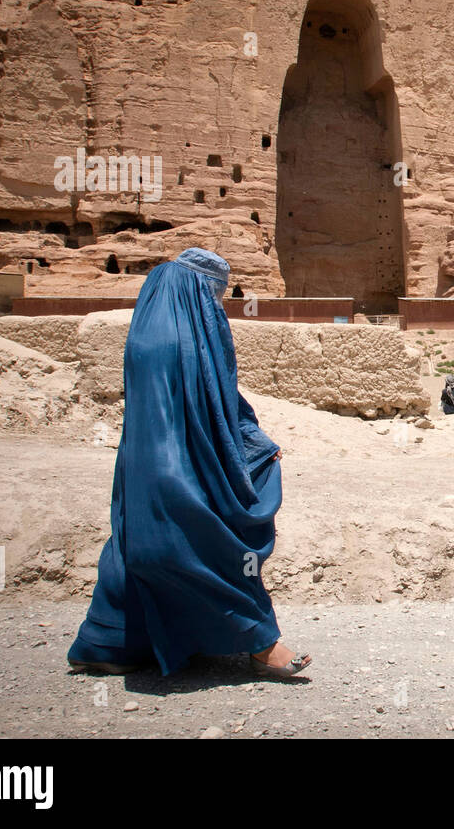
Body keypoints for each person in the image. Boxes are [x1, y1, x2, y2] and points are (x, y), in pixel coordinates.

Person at [66, 248, 311, 678]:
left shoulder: (148, 328)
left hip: (140, 465)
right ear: (199, 289)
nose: (216, 304)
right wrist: (252, 447)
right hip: (178, 465)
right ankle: (259, 641)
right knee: (203, 541)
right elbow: (214, 406)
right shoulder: (183, 339)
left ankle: (105, 643)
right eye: (214, 294)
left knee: (133, 546)